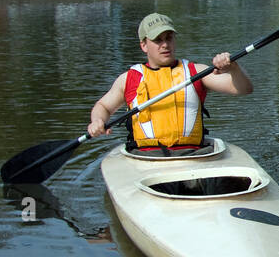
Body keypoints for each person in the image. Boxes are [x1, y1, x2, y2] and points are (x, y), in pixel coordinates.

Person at [87, 13, 252, 154]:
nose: (165, 45)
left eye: (169, 38)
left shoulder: (197, 72)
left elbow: (244, 89)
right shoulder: (129, 79)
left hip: (194, 155)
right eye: (158, 40)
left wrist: (234, 69)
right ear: (144, 45)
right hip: (146, 157)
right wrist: (97, 121)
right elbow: (104, 106)